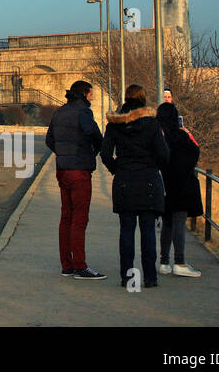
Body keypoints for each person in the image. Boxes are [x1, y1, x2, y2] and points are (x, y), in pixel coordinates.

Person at [101, 84, 170, 290]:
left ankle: (127, 277)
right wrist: (153, 166)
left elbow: (105, 154)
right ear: (143, 98)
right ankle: (150, 277)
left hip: (124, 180)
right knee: (148, 231)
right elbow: (164, 154)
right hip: (148, 180)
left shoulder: (114, 124)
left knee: (126, 231)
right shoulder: (151, 123)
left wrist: (117, 168)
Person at [45, 80, 106, 280]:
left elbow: (49, 140)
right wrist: (91, 152)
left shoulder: (59, 112)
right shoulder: (83, 113)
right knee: (80, 218)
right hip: (79, 170)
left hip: (62, 169)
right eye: (91, 94)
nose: (93, 97)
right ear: (84, 95)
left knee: (66, 217)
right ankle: (80, 266)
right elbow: (96, 136)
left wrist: (63, 154)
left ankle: (67, 265)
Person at [156, 101, 203, 278]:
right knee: (179, 223)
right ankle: (180, 262)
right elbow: (195, 153)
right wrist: (188, 134)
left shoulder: (158, 136)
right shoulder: (181, 137)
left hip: (164, 185)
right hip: (182, 185)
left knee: (167, 222)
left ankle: (164, 262)